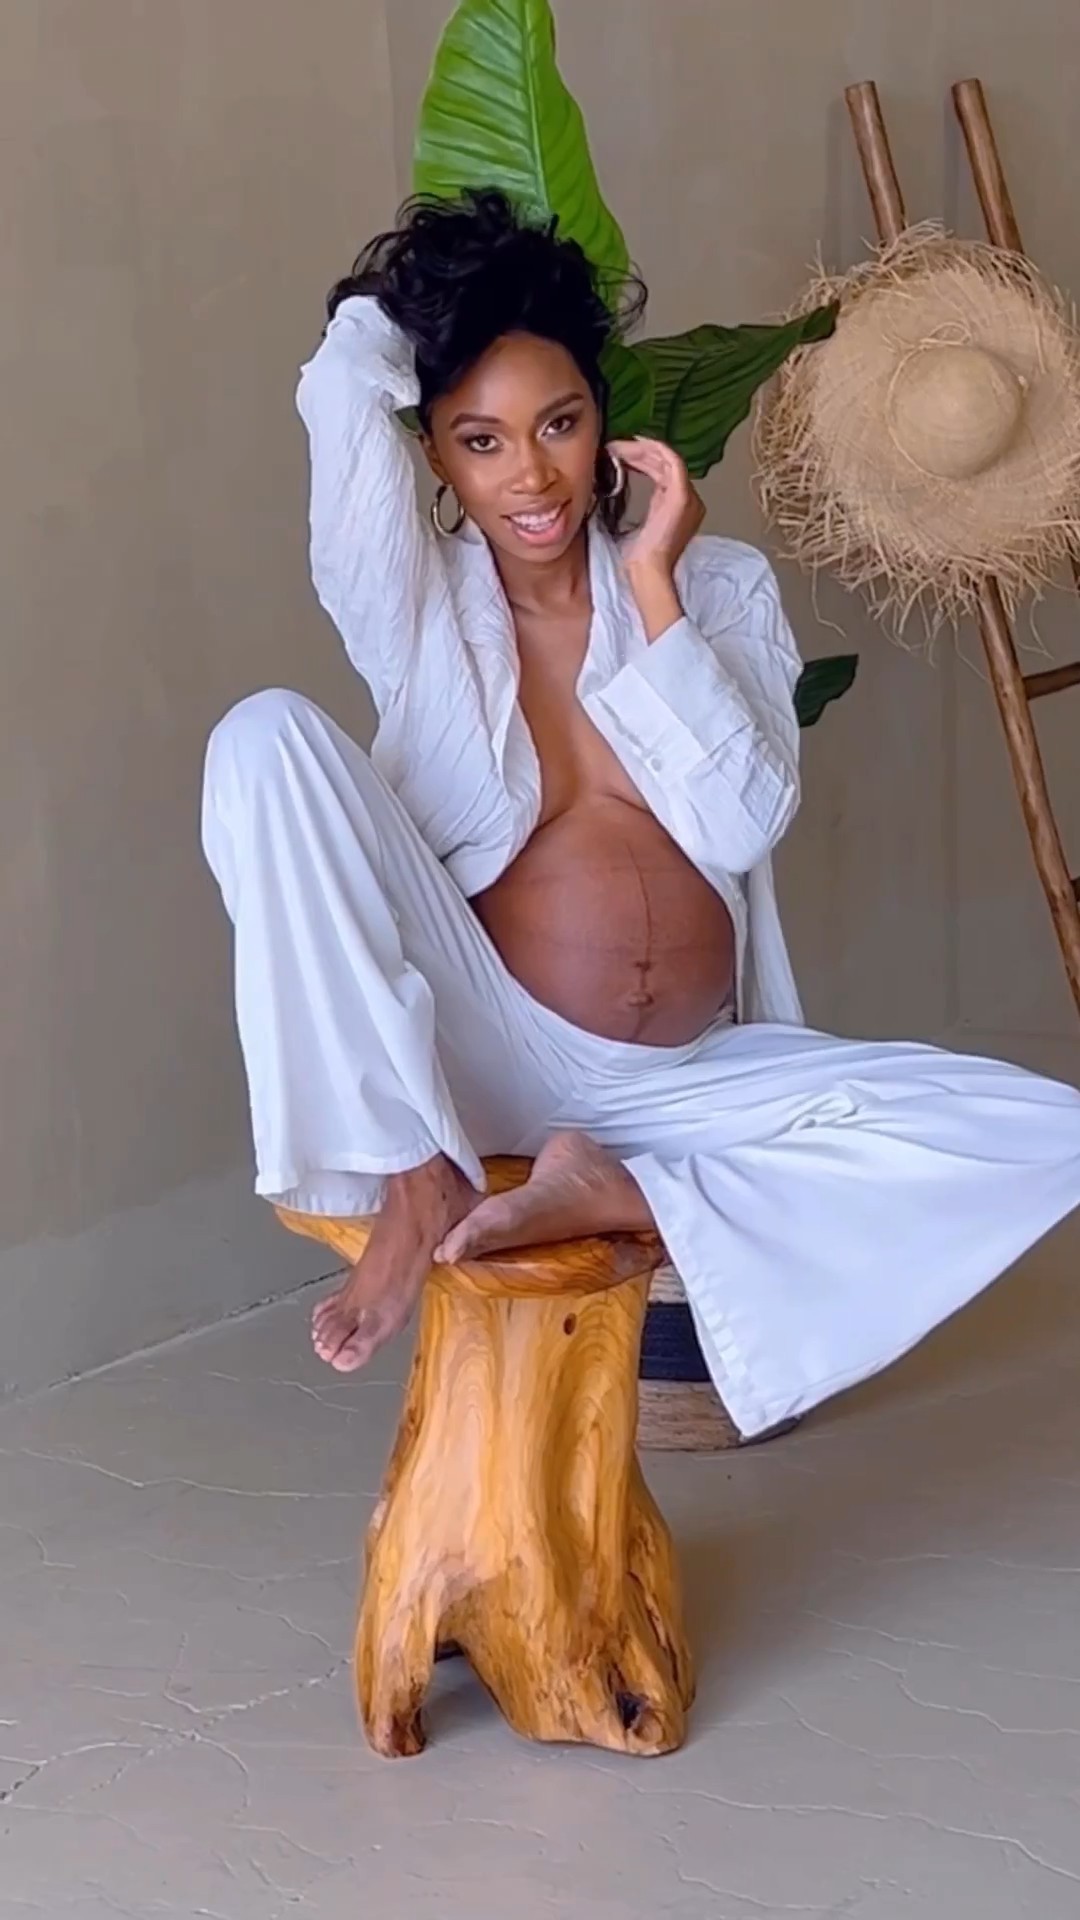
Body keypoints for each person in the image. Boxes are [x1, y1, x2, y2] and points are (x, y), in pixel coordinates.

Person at [202, 191, 1080, 1440]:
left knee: (1034, 1131)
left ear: (602, 419)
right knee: (263, 738)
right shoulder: (414, 604)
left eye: (557, 423)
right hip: (490, 1048)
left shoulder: (714, 584)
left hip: (684, 1076)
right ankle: (416, 1168)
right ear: (437, 458)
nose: (530, 474)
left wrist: (655, 585)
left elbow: (740, 825)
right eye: (481, 441)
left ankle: (618, 1186)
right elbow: (345, 387)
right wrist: (444, 296)